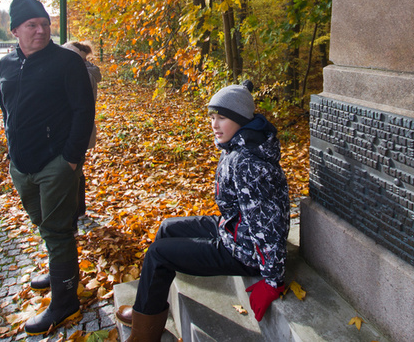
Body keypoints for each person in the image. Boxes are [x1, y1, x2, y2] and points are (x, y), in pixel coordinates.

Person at [116, 80, 290, 341]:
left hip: (246, 252)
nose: (214, 124)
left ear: (241, 120)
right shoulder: (239, 143)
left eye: (222, 117)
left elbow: (269, 225)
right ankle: (147, 309)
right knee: (167, 228)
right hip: (235, 229)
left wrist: (272, 280)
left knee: (159, 255)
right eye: (212, 116)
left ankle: (143, 336)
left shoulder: (247, 162)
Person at [0, 0, 94, 334]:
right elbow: (7, 109)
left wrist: (70, 159)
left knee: (56, 230)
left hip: (55, 164)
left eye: (44, 24)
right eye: (31, 25)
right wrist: (11, 153)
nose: (40, 31)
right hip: (21, 164)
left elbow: (84, 111)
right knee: (43, 224)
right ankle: (59, 269)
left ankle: (65, 299)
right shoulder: (7, 65)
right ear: (15, 30)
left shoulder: (66, 62)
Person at [60, 40, 102, 229]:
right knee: (76, 171)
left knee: (72, 172)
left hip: (75, 130)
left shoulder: (83, 74)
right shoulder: (86, 70)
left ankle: (75, 214)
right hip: (76, 129)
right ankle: (78, 211)